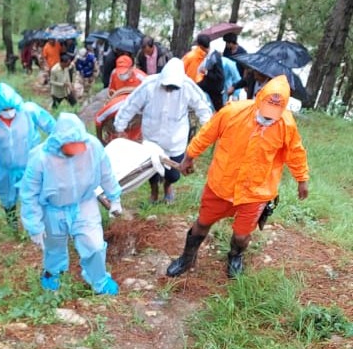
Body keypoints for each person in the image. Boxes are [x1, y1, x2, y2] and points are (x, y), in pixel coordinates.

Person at [166, 75, 309, 279]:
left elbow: (295, 152)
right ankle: (187, 259)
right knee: (202, 223)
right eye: (266, 111)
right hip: (221, 184)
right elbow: (207, 133)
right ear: (259, 98)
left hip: (256, 191)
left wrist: (302, 179)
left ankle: (235, 256)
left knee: (242, 235)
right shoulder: (233, 112)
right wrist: (189, 157)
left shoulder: (287, 125)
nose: (268, 117)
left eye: (273, 114)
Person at [20, 112, 122, 295]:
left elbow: (106, 172)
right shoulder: (41, 158)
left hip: (85, 204)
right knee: (54, 245)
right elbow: (29, 193)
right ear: (59, 143)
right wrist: (34, 225)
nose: (77, 150)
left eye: (79, 145)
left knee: (95, 245)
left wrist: (115, 197)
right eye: (71, 147)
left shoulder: (92, 147)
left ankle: (98, 279)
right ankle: (53, 273)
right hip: (53, 209)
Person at [113, 57, 212, 204]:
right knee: (151, 168)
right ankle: (154, 190)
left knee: (173, 174)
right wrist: (120, 127)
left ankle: (168, 186)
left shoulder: (188, 86)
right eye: (167, 86)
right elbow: (130, 104)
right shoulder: (149, 85)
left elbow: (203, 108)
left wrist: (206, 132)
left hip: (175, 139)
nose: (170, 89)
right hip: (151, 138)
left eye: (173, 87)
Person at [0, 83, 56, 229]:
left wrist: (56, 150)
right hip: (4, 170)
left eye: (11, 108)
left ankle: (42, 227)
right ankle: (13, 226)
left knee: (37, 196)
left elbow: (53, 127)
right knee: (8, 200)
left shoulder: (29, 111)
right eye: (4, 110)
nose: (9, 112)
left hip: (31, 164)